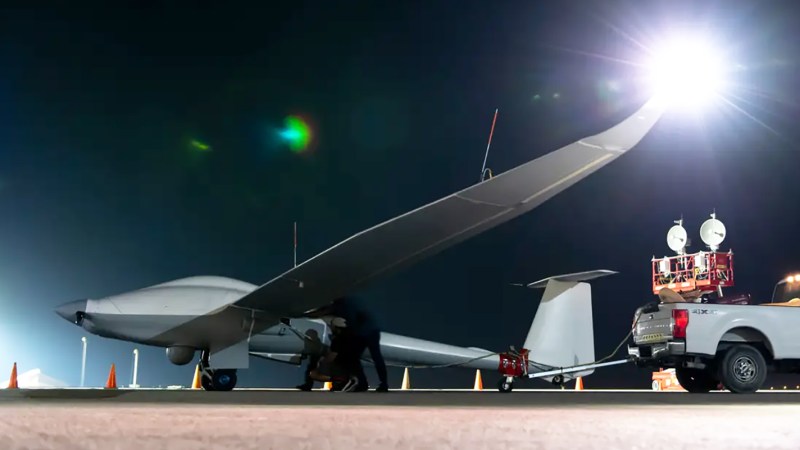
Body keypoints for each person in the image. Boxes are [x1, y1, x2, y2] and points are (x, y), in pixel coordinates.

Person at [311, 296, 389, 392]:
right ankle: (380, 384)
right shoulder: (349, 302)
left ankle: (361, 383)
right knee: (374, 357)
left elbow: (325, 311)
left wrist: (306, 314)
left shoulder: (342, 305)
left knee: (353, 358)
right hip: (371, 331)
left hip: (362, 333)